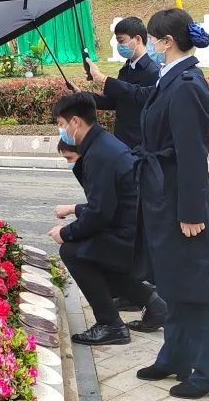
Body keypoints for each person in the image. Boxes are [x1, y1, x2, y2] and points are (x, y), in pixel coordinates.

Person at [91, 8, 209, 399]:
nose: (148, 43)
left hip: (179, 202)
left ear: (166, 42)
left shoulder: (186, 84)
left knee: (195, 284)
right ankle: (175, 356)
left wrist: (191, 211)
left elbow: (192, 154)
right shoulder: (170, 77)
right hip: (160, 194)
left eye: (152, 37)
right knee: (171, 281)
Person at [47, 93, 167, 346]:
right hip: (130, 226)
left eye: (61, 124)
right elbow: (104, 204)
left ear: (76, 122)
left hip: (126, 233)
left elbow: (100, 213)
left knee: (73, 251)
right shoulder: (102, 144)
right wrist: (75, 212)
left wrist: (65, 233)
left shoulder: (99, 154)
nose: (61, 131)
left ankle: (110, 324)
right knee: (94, 254)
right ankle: (156, 306)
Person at [87, 16, 160, 150]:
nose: (119, 46)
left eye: (121, 41)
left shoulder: (154, 71)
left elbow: (140, 98)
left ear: (137, 39)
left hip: (142, 145)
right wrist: (82, 96)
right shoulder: (126, 69)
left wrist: (103, 79)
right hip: (122, 141)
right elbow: (116, 101)